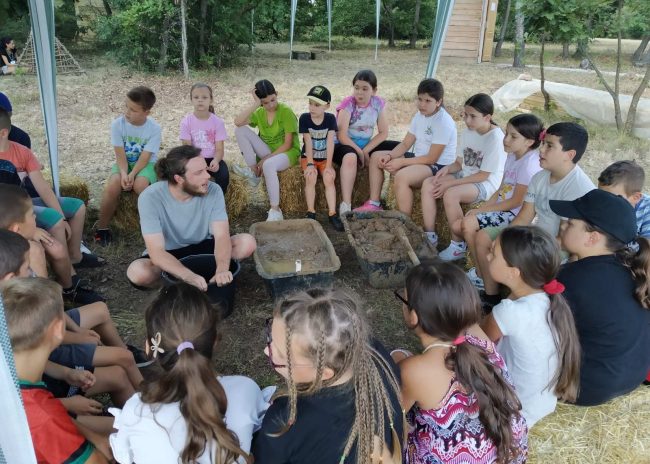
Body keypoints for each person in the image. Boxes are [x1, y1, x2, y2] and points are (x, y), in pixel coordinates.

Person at [110, 283, 268, 463]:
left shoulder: (136, 410)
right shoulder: (245, 389)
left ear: (149, 347)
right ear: (215, 341)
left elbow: (124, 457)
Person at [0, 217, 145, 414]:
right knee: (121, 366)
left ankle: (144, 412)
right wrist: (66, 404)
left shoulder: (17, 299)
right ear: (10, 278)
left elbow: (49, 318)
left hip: (48, 367)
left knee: (117, 365)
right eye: (27, 268)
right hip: (44, 398)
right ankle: (143, 416)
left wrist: (68, 370)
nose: (31, 271)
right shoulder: (13, 318)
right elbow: (19, 405)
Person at [392, 262, 528, 464]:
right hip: (506, 454)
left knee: (396, 357)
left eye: (403, 299)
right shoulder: (479, 340)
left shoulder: (414, 370)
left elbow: (391, 418)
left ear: (413, 316)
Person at [253, 288, 403, 464]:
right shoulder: (376, 356)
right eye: (270, 336)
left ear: (324, 373)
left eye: (280, 355)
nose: (266, 350)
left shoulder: (284, 423)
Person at [474, 122, 595, 310]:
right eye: (543, 143)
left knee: (524, 258)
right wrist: (504, 237)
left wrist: (524, 246)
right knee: (484, 237)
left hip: (559, 246)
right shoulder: (540, 177)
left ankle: (516, 304)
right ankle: (492, 297)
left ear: (569, 155)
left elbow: (566, 239)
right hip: (537, 235)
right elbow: (524, 217)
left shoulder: (579, 189)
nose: (541, 150)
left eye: (549, 146)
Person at [551, 189, 650, 406]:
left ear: (593, 238)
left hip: (585, 388)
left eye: (570, 223)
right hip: (633, 376)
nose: (563, 226)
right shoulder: (633, 266)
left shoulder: (570, 278)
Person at [2, 277, 111, 463]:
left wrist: (93, 436)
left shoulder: (12, 377)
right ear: (59, 329)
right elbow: (96, 461)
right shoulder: (43, 416)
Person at [481, 226, 581, 427]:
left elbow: (475, 340)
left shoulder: (510, 312)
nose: (487, 256)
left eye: (493, 253)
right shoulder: (549, 301)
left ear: (513, 272)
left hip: (510, 411)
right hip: (539, 405)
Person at [127, 145, 256, 290]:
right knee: (138, 272)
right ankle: (176, 286)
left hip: (205, 246)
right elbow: (156, 251)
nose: (208, 176)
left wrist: (222, 268)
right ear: (179, 179)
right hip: (170, 253)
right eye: (199, 172)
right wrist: (187, 275)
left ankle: (211, 278)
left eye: (205, 169)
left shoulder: (213, 190)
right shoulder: (150, 197)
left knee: (247, 243)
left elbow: (221, 236)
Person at [463, 114, 544, 290]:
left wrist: (480, 211)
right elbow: (501, 189)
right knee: (462, 224)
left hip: (513, 215)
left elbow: (515, 202)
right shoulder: (513, 156)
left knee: (468, 224)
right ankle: (480, 271)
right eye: (506, 133)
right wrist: (483, 208)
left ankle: (482, 276)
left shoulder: (529, 165)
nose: (506, 139)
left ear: (529, 142)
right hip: (502, 210)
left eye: (513, 136)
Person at [421, 93, 507, 258]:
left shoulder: (495, 138)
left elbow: (483, 175)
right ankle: (430, 235)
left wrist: (450, 184)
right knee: (429, 183)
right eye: (465, 115)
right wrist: (447, 169)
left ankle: (458, 245)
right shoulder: (468, 131)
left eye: (473, 116)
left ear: (487, 117)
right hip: (465, 175)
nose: (467, 120)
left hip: (485, 184)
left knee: (451, 194)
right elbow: (459, 163)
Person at [355, 78, 457, 216]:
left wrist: (402, 162)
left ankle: (404, 220)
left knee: (402, 177)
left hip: (438, 166)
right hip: (420, 159)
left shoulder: (443, 122)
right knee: (376, 157)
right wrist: (390, 156)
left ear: (438, 102)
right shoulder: (419, 116)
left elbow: (431, 158)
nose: (422, 104)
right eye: (420, 99)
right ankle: (374, 203)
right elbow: (405, 144)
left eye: (428, 101)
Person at [0, 183, 103, 304]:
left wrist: (33, 231)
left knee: (57, 249)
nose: (35, 217)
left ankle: (68, 290)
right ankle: (49, 303)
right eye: (32, 215)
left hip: (15, 226)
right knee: (35, 251)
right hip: (26, 307)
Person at [95, 86, 161, 246]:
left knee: (141, 186)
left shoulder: (154, 129)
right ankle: (102, 228)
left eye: (133, 110)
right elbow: (119, 154)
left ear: (147, 112)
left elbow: (145, 157)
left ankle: (155, 227)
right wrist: (124, 173)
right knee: (113, 185)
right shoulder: (117, 125)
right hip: (124, 161)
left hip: (145, 164)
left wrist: (133, 174)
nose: (127, 112)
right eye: (126, 106)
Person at [334, 70, 400, 214]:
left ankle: (384, 200)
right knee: (351, 158)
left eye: (365, 89)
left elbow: (383, 132)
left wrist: (366, 150)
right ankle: (346, 206)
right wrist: (359, 152)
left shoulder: (377, 103)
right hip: (344, 144)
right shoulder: (348, 104)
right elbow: (341, 135)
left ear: (374, 90)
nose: (360, 92)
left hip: (365, 145)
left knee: (399, 148)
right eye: (356, 88)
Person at [233, 79, 300, 221]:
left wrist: (265, 159)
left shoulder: (286, 112)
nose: (270, 105)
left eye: (273, 100)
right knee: (240, 131)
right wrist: (256, 104)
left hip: (286, 153)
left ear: (277, 94)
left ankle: (275, 210)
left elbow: (288, 144)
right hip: (268, 152)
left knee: (268, 165)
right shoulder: (260, 112)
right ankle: (254, 173)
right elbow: (238, 122)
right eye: (265, 103)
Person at [299, 85, 344, 231]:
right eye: (310, 103)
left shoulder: (330, 119)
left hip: (324, 158)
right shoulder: (305, 118)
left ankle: (332, 214)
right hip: (309, 157)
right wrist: (310, 164)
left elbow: (330, 142)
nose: (312, 107)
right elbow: (308, 142)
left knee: (329, 178)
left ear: (327, 105)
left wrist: (329, 165)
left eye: (317, 105)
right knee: (310, 177)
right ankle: (311, 212)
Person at [180, 82, 230, 195]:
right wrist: (198, 163)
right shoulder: (186, 122)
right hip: (194, 157)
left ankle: (219, 200)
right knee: (184, 176)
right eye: (196, 97)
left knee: (223, 175)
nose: (200, 100)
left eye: (204, 97)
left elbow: (219, 149)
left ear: (211, 100)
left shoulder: (218, 122)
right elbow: (187, 149)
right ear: (191, 100)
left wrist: (216, 161)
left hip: (212, 159)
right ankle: (191, 200)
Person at [598, 160, 650, 238]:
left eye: (612, 199)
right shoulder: (599, 203)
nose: (604, 203)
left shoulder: (647, 209)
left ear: (635, 197)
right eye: (600, 195)